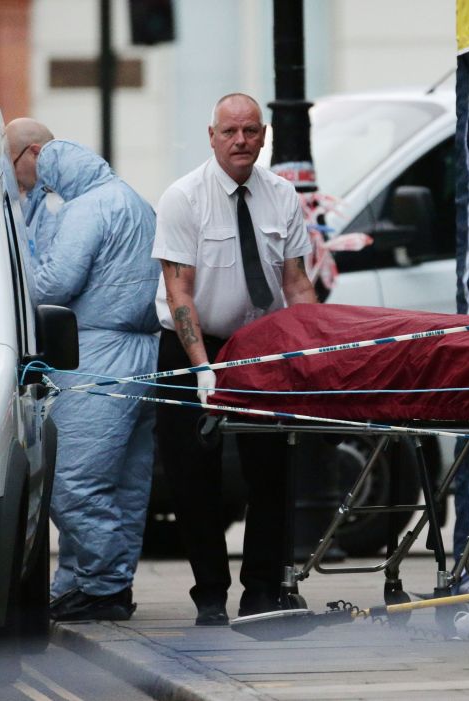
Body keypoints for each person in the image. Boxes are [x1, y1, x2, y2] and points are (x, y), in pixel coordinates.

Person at [152, 93, 317, 626]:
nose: (241, 141)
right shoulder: (184, 197)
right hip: (191, 344)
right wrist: (203, 367)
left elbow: (296, 282)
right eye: (230, 132)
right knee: (192, 477)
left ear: (264, 135)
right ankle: (209, 596)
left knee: (271, 470)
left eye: (250, 131)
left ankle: (262, 593)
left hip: (260, 345)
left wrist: (314, 352)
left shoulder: (282, 196)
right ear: (212, 136)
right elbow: (180, 293)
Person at [28, 139, 161, 621]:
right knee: (125, 484)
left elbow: (54, 284)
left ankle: (103, 585)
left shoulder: (87, 208)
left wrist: (25, 266)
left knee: (72, 481)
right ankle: (92, 584)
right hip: (146, 353)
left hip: (97, 355)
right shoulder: (134, 200)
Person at [5, 118, 63, 257]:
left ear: (35, 153)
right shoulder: (34, 200)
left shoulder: (56, 204)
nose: (11, 176)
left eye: (12, 164)